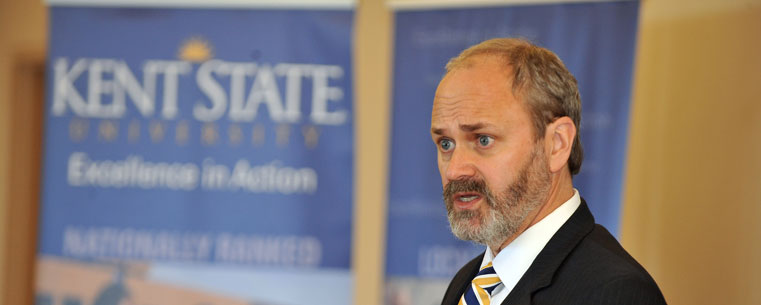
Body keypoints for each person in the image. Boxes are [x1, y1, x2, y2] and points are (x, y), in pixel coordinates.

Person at [431, 38, 666, 305]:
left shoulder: (615, 293)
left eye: (483, 139)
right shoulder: (466, 283)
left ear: (556, 144)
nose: (455, 170)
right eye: (445, 144)